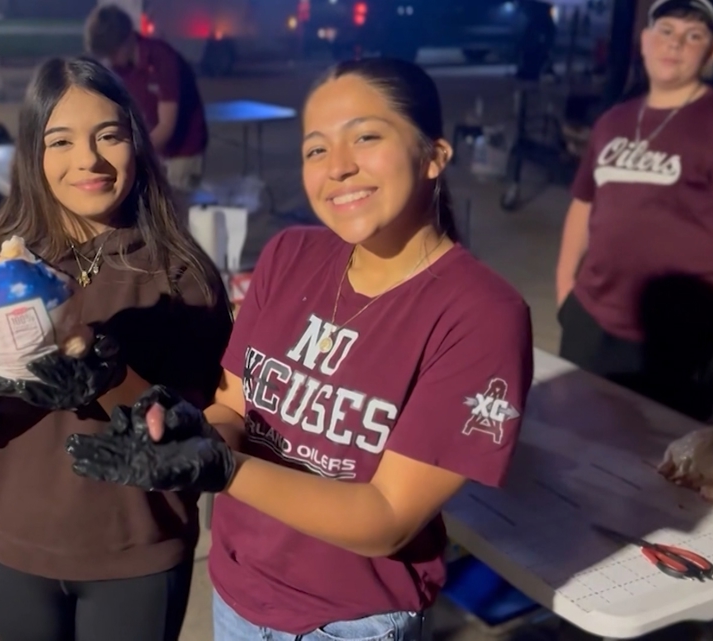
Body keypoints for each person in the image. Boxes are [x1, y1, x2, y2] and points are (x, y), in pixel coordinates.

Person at [67, 57, 535, 640]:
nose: (337, 167)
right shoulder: (291, 255)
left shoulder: (481, 315)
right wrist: (184, 434)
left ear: (434, 154)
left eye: (365, 137)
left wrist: (223, 468)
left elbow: (388, 518)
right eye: (316, 149)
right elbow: (233, 409)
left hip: (349, 622)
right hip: (239, 593)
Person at [0, 57, 232, 641]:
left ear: (137, 142)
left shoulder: (182, 276)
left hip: (135, 559)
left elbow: (198, 434)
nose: (88, 159)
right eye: (60, 141)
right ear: (33, 153)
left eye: (108, 135)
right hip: (11, 555)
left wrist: (106, 373)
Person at [554, 0, 713, 420]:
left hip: (676, 338)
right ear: (646, 40)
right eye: (666, 31)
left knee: (655, 469)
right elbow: (582, 205)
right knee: (575, 441)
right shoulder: (612, 121)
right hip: (592, 321)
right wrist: (566, 290)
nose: (675, 44)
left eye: (693, 36)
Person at [84, 4, 208, 195]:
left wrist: (133, 154)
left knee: (177, 213)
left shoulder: (162, 60)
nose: (111, 61)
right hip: (155, 151)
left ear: (127, 40)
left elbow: (167, 125)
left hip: (183, 153)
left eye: (113, 54)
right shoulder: (122, 69)